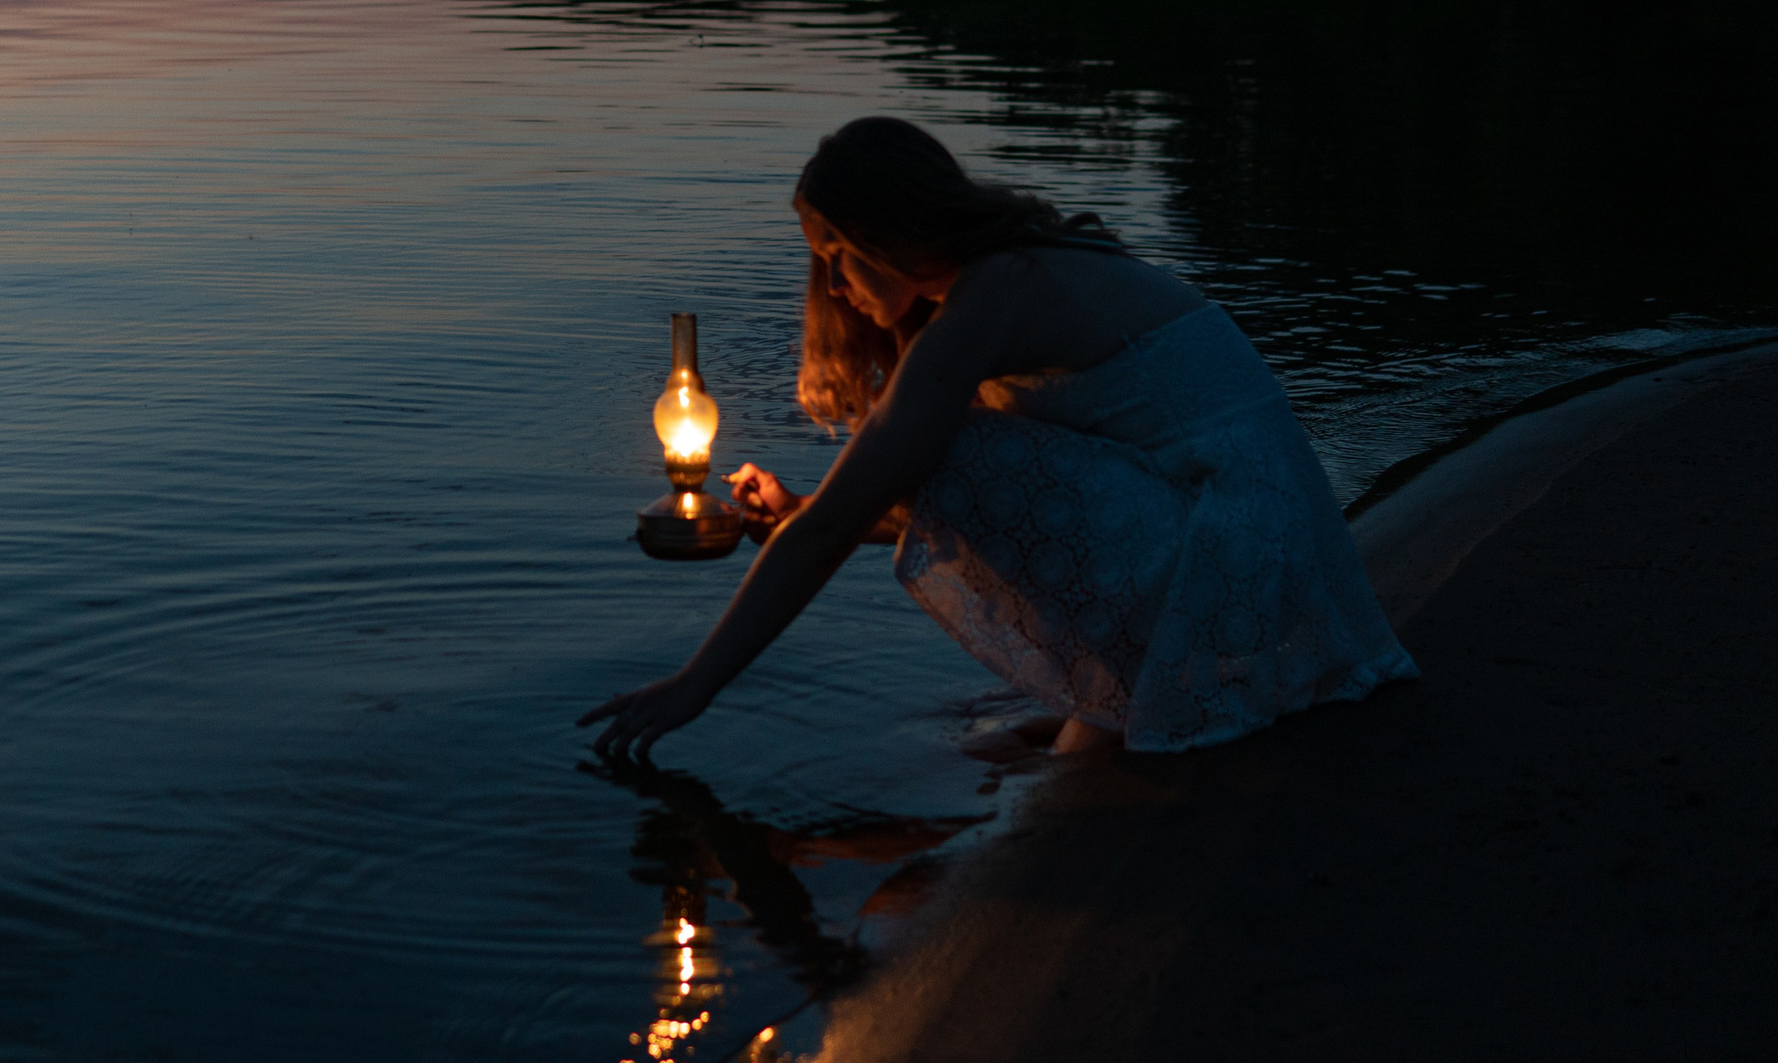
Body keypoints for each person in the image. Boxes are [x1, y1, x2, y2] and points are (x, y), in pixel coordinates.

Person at [582, 116, 1417, 761]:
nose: (833, 286)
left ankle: (1134, 686)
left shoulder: (997, 293)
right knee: (928, 450)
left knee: (942, 444)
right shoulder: (1011, 273)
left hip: (1236, 556)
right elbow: (891, 502)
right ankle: (1125, 686)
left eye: (838, 254)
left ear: (890, 227)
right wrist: (801, 507)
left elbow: (857, 511)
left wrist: (698, 683)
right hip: (1262, 547)